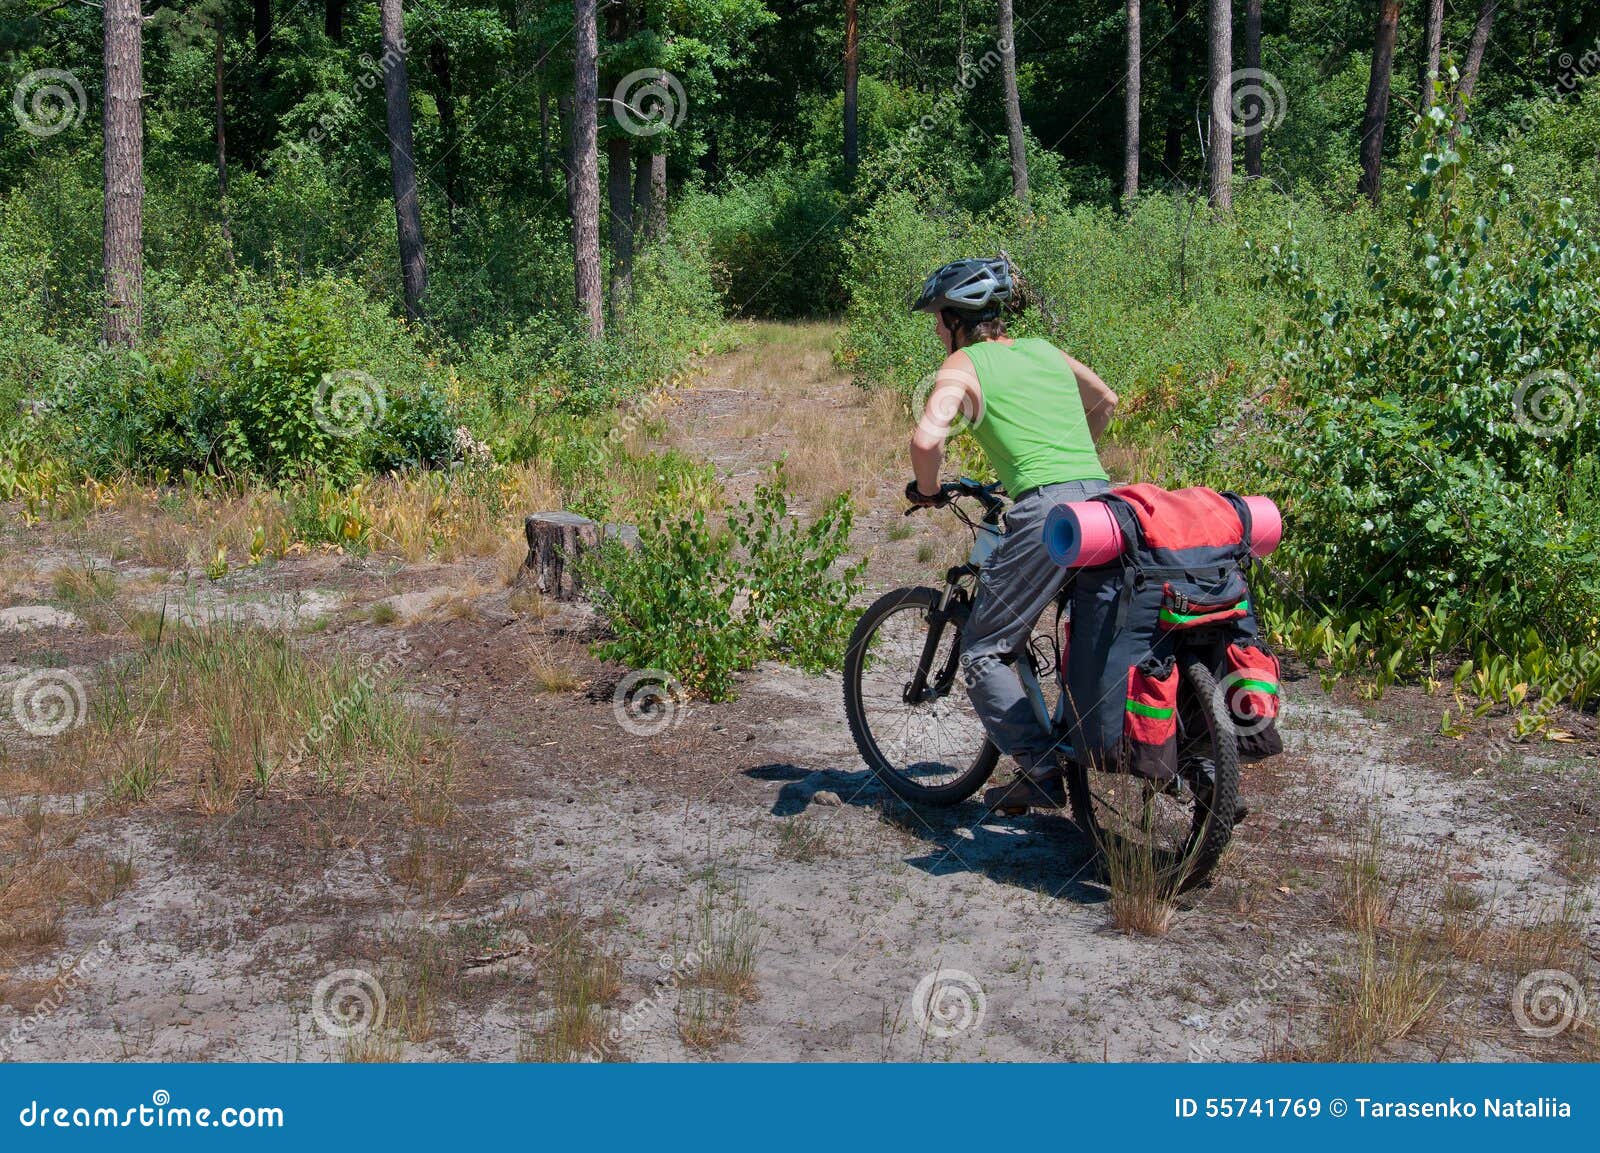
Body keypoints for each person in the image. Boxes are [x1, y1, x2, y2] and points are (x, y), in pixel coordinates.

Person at [905, 257, 1118, 811]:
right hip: (1107, 504)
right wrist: (1067, 456)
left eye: (937, 318)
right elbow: (1106, 401)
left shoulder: (962, 366)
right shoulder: (1044, 350)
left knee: (982, 649)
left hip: (1048, 512)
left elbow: (927, 441)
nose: (934, 328)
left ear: (955, 320)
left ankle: (1042, 771)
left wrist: (928, 490)